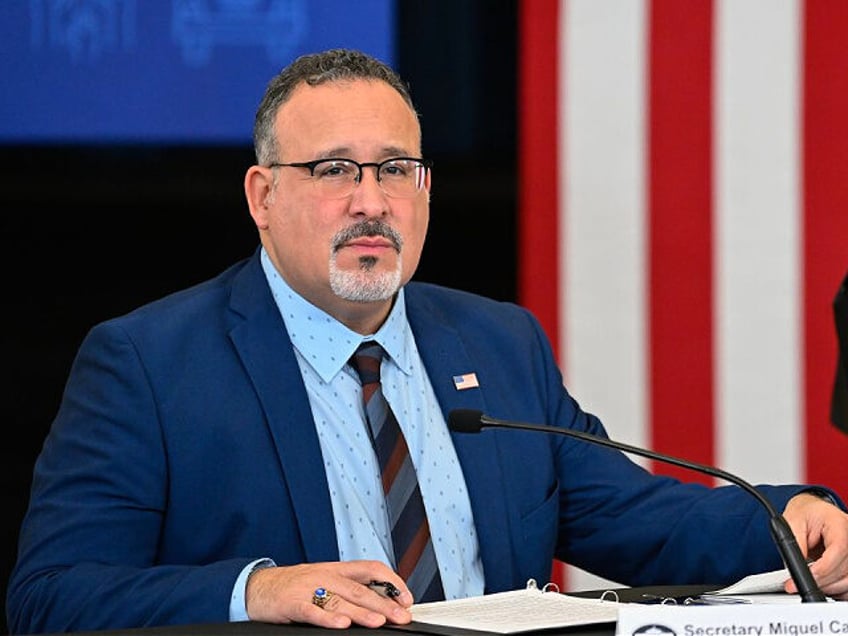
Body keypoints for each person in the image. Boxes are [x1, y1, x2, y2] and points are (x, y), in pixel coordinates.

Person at [7, 48, 848, 634]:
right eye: (334, 170)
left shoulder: (498, 339)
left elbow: (643, 522)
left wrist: (792, 518)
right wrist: (257, 590)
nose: (371, 201)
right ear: (263, 195)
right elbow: (53, 597)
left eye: (395, 169)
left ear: (426, 190)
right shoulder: (148, 364)